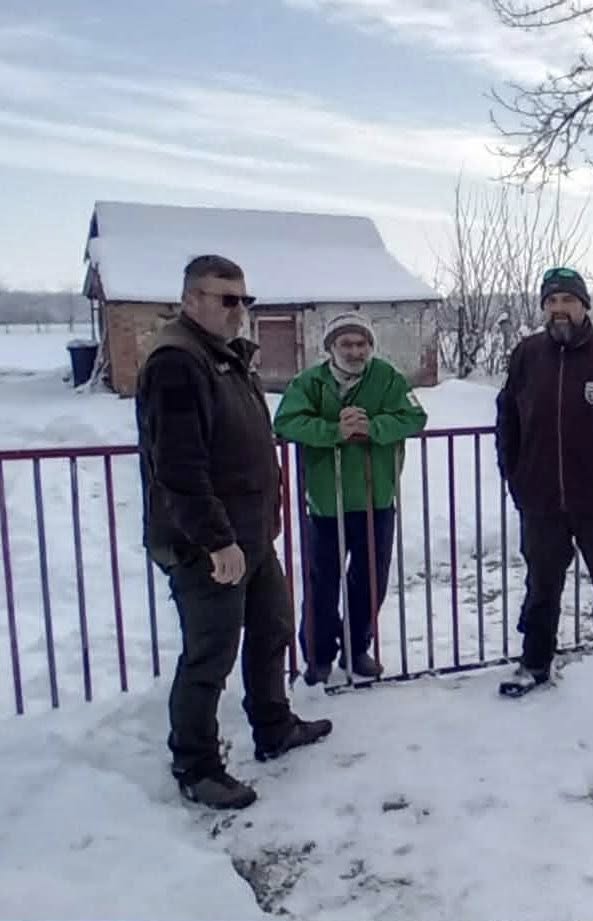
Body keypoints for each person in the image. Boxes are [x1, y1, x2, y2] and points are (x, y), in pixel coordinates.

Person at [136, 255, 332, 810]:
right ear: (190, 300)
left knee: (273, 628)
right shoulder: (178, 362)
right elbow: (179, 466)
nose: (239, 310)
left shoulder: (224, 357)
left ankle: (274, 725)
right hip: (207, 544)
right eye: (226, 299)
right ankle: (196, 765)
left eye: (245, 299)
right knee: (210, 655)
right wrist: (215, 540)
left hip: (249, 535)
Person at [494, 267, 593, 696]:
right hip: (542, 502)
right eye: (551, 301)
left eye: (567, 300)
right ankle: (534, 663)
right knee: (541, 587)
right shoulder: (527, 355)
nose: (559, 309)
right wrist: (516, 476)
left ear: (584, 305)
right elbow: (507, 420)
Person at [273, 313, 427, 685]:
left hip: (377, 499)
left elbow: (414, 417)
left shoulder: (387, 377)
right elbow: (286, 422)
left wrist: (373, 428)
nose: (355, 352)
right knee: (322, 582)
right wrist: (334, 431)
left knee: (370, 582)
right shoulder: (310, 382)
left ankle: (357, 648)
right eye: (346, 344)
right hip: (327, 502)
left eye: (362, 344)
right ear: (330, 348)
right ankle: (319, 655)